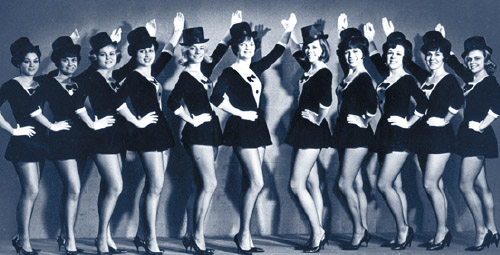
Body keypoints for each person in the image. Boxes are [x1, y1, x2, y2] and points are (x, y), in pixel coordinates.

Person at [210, 14, 296, 254]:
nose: (248, 46)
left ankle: (244, 233)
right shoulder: (229, 72)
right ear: (236, 47)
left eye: (251, 43)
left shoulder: (255, 68)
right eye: (243, 43)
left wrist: (288, 29)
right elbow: (215, 99)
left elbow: (277, 51)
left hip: (258, 128)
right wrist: (240, 112)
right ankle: (244, 234)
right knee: (257, 182)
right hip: (242, 128)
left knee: (251, 182)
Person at [167, 11, 242, 255]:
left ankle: (190, 234)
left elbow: (219, 50)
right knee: (209, 183)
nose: (198, 50)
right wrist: (190, 119)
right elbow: (172, 103)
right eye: (193, 47)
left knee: (199, 184)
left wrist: (232, 29)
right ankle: (198, 237)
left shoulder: (205, 71)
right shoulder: (187, 76)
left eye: (201, 47)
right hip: (197, 134)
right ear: (185, 51)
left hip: (212, 131)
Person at [36, 35, 115, 255]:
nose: (70, 64)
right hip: (61, 141)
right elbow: (30, 105)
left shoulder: (80, 80)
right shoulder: (47, 82)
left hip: (82, 141)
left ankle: (64, 235)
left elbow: (98, 64)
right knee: (73, 188)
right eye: (65, 60)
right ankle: (69, 239)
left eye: (74, 60)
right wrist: (51, 126)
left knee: (72, 191)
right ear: (57, 61)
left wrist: (74, 44)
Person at [119, 13, 184, 255]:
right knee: (155, 186)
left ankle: (141, 235)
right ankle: (151, 241)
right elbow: (116, 101)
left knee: (154, 187)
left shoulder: (151, 71)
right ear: (134, 54)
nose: (147, 54)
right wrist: (135, 120)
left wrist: (175, 33)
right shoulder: (134, 76)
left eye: (149, 50)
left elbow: (166, 54)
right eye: (142, 51)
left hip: (162, 132)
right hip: (147, 134)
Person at [0, 37, 70, 255]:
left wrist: (69, 43)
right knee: (31, 190)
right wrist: (13, 129)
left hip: (40, 142)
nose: (31, 65)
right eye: (27, 61)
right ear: (18, 63)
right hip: (22, 142)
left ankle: (21, 238)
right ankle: (24, 242)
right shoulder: (11, 86)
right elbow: (29, 112)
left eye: (36, 61)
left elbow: (60, 72)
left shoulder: (42, 81)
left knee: (32, 192)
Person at [371, 29, 428, 250]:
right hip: (384, 133)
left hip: (399, 136)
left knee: (383, 184)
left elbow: (423, 104)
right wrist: (372, 40)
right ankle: (400, 232)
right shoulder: (387, 77)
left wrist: (408, 122)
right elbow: (376, 58)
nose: (393, 56)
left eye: (398, 53)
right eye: (391, 53)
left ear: (405, 57)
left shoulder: (406, 79)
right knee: (395, 185)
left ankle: (404, 229)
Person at [285, 22, 332, 253]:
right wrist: (290, 30)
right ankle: (319, 230)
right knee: (312, 183)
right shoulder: (310, 67)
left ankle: (317, 232)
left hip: (311, 131)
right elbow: (295, 49)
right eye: (308, 48)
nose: (310, 51)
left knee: (296, 184)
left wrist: (318, 118)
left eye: (314, 47)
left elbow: (327, 102)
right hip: (303, 129)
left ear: (323, 48)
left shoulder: (323, 71)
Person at [449, 36, 500, 251]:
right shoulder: (471, 79)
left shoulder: (489, 81)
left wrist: (480, 126)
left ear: (486, 60)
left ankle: (482, 231)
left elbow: (497, 108)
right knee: (481, 186)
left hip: (478, 138)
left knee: (464, 185)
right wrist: (446, 45)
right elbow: (456, 65)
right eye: (469, 59)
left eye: (477, 59)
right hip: (469, 137)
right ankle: (494, 230)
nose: (472, 62)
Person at [333, 35, 377, 250]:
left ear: (363, 54)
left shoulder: (363, 77)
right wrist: (343, 32)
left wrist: (364, 120)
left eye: (356, 51)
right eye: (348, 52)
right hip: (344, 132)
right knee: (356, 184)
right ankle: (364, 228)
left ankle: (359, 230)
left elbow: (373, 105)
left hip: (357, 135)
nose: (351, 55)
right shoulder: (350, 74)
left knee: (344, 183)